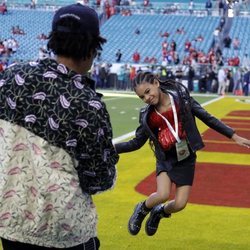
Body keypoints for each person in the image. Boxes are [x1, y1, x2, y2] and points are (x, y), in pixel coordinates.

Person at [0, 3, 119, 250]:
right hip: (63, 229)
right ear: (92, 48)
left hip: (10, 220)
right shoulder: (88, 104)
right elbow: (99, 179)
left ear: (53, 39)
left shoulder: (12, 76)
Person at [114, 71, 250, 236]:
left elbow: (208, 118)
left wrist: (233, 136)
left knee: (180, 204)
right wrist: (112, 148)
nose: (147, 98)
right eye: (142, 97)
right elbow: (136, 142)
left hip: (186, 157)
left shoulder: (182, 100)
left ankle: (159, 212)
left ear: (156, 83)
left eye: (148, 91)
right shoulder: (147, 116)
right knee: (162, 194)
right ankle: (142, 209)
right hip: (166, 158)